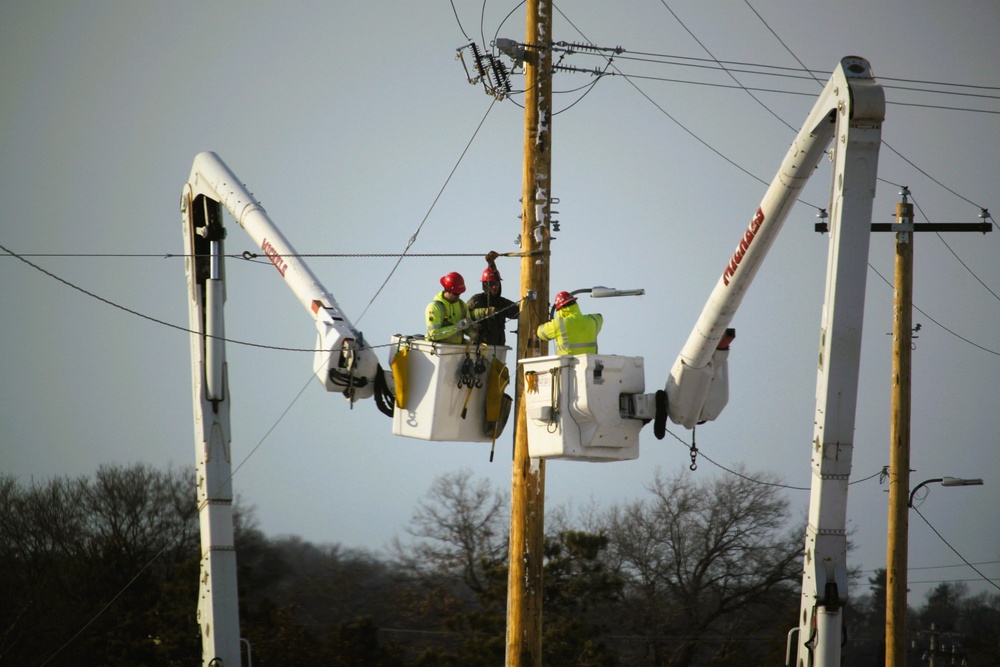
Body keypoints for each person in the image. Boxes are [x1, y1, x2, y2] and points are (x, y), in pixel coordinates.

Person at [466, 251, 519, 346]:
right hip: (479, 350)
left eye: (497, 283)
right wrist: (485, 312)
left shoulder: (501, 302)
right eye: (491, 284)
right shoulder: (477, 300)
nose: (495, 287)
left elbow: (518, 312)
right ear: (485, 285)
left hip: (498, 349)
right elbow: (464, 316)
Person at [426, 271, 488, 345]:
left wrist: (472, 330)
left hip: (456, 350)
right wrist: (456, 327)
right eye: (456, 293)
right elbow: (434, 334)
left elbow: (466, 327)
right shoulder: (434, 307)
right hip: (439, 351)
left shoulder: (462, 305)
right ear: (447, 290)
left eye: (460, 293)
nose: (458, 296)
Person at [537, 290, 603, 355]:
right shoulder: (593, 321)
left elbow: (540, 333)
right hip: (590, 364)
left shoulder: (559, 324)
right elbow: (600, 316)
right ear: (575, 304)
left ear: (561, 310)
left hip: (567, 365)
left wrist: (552, 323)